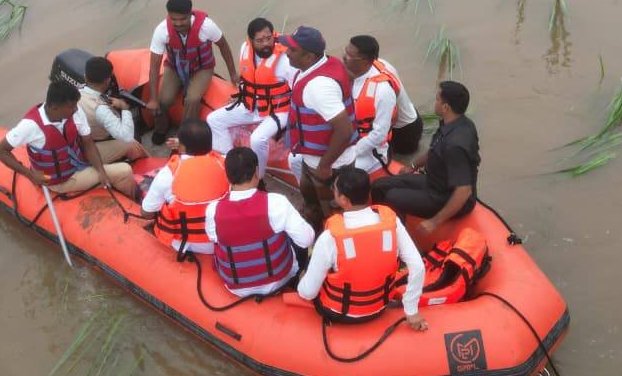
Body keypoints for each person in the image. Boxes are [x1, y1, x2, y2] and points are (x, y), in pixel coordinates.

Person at [296, 166, 428, 330]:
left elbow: (308, 293)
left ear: (342, 199)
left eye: (334, 190)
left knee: (308, 266)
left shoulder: (329, 238)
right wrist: (411, 309)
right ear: (369, 194)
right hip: (379, 307)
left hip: (339, 312)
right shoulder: (393, 225)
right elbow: (418, 266)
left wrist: (301, 282)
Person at [0, 79, 137, 198]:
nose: (76, 109)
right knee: (124, 171)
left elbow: (87, 143)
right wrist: (30, 174)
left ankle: (150, 173)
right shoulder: (29, 126)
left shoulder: (74, 111)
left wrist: (100, 170)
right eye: (71, 106)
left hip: (81, 158)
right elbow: (0, 151)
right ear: (55, 108)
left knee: (130, 144)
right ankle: (134, 201)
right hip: (63, 179)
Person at [371, 80, 480, 234]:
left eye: (437, 99)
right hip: (434, 183)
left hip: (444, 196)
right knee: (379, 186)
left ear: (445, 107)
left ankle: (398, 242)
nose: (434, 103)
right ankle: (378, 227)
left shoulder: (456, 145)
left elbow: (464, 191)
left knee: (392, 198)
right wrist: (413, 165)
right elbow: (435, 149)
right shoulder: (453, 123)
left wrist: (434, 222)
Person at [205, 147, 316, 297]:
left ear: (227, 176)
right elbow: (306, 239)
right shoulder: (276, 202)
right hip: (279, 279)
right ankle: (298, 278)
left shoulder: (213, 209)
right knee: (297, 235)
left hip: (235, 287)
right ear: (257, 171)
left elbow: (214, 239)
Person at [281, 26, 358, 226]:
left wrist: (325, 165)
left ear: (308, 57)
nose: (286, 52)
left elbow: (345, 130)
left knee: (330, 210)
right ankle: (311, 215)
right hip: (313, 157)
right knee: (308, 191)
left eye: (292, 50)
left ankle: (327, 235)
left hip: (331, 163)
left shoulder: (318, 87)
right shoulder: (326, 63)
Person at [206, 17, 297, 181]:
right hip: (250, 105)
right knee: (213, 119)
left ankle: (258, 178)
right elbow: (247, 78)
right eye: (260, 40)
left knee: (257, 139)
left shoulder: (285, 60)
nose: (265, 44)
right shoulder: (244, 49)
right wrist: (241, 94)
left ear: (273, 36)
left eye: (268, 38)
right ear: (251, 41)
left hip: (278, 111)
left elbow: (298, 89)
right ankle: (229, 162)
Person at [144, 0, 237, 145]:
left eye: (183, 19)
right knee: (164, 100)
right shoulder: (162, 30)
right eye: (174, 19)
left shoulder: (207, 26)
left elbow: (224, 47)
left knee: (192, 99)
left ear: (190, 14)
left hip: (202, 68)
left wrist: (233, 74)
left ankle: (184, 137)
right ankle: (161, 127)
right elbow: (154, 66)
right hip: (174, 67)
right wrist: (153, 99)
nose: (178, 23)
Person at [141, 119, 228, 253]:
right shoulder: (226, 163)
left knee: (162, 205)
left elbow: (147, 213)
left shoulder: (168, 174)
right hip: (223, 238)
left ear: (181, 147)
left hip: (190, 242)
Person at [341, 35, 418, 176]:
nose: (344, 57)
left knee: (403, 157)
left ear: (364, 61)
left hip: (405, 128)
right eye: (345, 51)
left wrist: (351, 151)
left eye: (349, 55)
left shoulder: (382, 90)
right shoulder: (373, 64)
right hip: (391, 119)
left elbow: (388, 121)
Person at [78, 56, 148, 164]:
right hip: (93, 147)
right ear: (108, 81)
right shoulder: (100, 109)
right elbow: (127, 137)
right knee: (133, 143)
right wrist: (124, 108)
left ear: (85, 77)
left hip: (80, 142)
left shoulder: (76, 93)